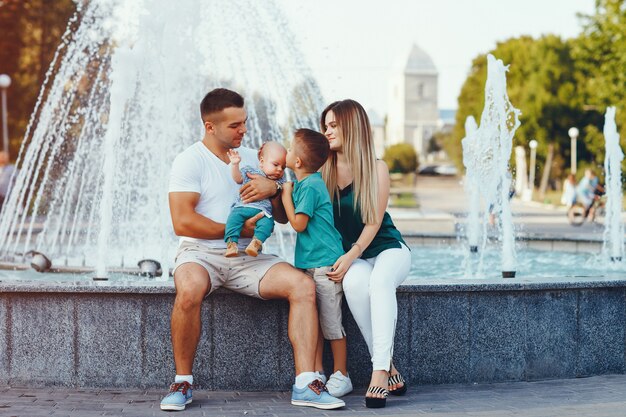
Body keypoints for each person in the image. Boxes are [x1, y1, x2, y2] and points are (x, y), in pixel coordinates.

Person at [163, 88, 344, 411]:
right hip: (201, 254)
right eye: (235, 125)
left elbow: (281, 217)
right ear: (210, 126)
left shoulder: (253, 158)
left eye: (244, 122)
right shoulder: (189, 160)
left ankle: (306, 383)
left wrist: (274, 188)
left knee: (302, 286)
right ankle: (183, 382)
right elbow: (182, 222)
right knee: (189, 288)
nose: (243, 130)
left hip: (250, 257)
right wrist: (236, 229)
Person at [320, 99, 411, 409]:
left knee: (379, 282)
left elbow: (373, 221)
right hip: (354, 257)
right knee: (354, 284)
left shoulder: (376, 168)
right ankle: (390, 368)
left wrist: (351, 254)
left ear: (352, 126)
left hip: (387, 248)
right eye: (326, 125)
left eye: (333, 125)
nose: (327, 131)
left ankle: (379, 372)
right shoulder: (324, 170)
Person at [281, 128, 353, 398]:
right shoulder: (305, 183)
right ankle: (318, 371)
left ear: (297, 162)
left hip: (324, 265)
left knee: (331, 323)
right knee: (314, 322)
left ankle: (342, 374)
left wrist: (285, 195)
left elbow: (298, 224)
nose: (286, 153)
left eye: (289, 150)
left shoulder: (310, 185)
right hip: (310, 263)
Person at [224, 141, 287, 257]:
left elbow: (285, 192)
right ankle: (231, 244)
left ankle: (256, 243)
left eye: (283, 167)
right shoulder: (250, 171)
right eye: (275, 164)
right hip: (242, 207)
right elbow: (238, 179)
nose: (279, 170)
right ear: (262, 162)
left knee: (268, 224)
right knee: (232, 221)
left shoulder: (280, 181)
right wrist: (235, 165)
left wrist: (277, 187)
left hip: (263, 213)